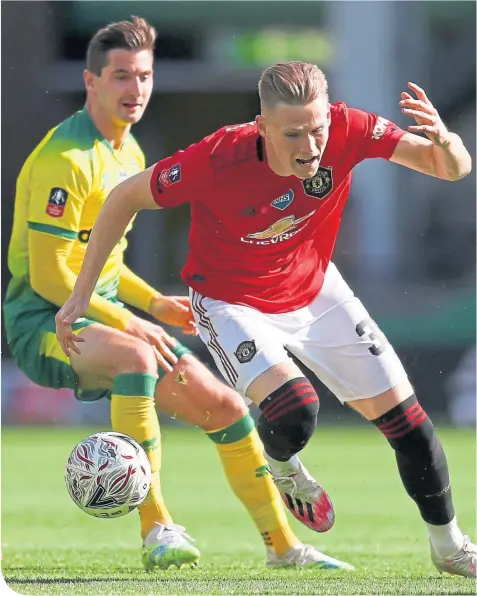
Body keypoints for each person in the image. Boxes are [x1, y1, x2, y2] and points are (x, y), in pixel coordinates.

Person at [55, 59, 475, 579]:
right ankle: (282, 467)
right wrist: (81, 295)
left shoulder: (352, 128)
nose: (311, 145)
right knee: (296, 411)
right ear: (261, 126)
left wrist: (446, 139)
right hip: (232, 302)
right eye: (293, 133)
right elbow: (123, 198)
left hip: (316, 288)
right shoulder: (216, 158)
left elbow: (450, 168)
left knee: (411, 427)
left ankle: (450, 546)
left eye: (317, 128)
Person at [4, 25, 353, 573]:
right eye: (121, 75)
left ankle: (285, 548)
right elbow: (51, 280)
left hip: (104, 318)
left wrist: (152, 304)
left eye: (144, 75)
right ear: (90, 80)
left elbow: (105, 265)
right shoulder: (66, 160)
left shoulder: (127, 149)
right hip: (43, 326)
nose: (135, 87)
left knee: (228, 407)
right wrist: (133, 321)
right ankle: (156, 529)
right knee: (137, 356)